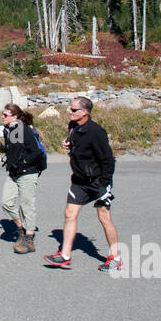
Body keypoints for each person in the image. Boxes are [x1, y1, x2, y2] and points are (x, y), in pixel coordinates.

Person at [44, 96, 119, 272]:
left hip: (98, 181)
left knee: (104, 218)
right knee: (70, 214)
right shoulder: (73, 127)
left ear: (84, 112)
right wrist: (68, 145)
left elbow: (108, 160)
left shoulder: (96, 131)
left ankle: (115, 258)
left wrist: (105, 184)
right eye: (70, 109)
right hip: (79, 180)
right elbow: (76, 145)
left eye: (73, 110)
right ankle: (65, 255)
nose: (69, 112)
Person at [1, 104, 46, 255]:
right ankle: (21, 228)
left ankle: (29, 238)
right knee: (6, 202)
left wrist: (23, 162)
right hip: (14, 172)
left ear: (14, 117)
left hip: (28, 172)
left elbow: (36, 152)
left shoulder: (24, 130)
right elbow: (13, 149)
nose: (2, 117)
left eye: (5, 115)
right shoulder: (8, 130)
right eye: (3, 114)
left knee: (27, 205)